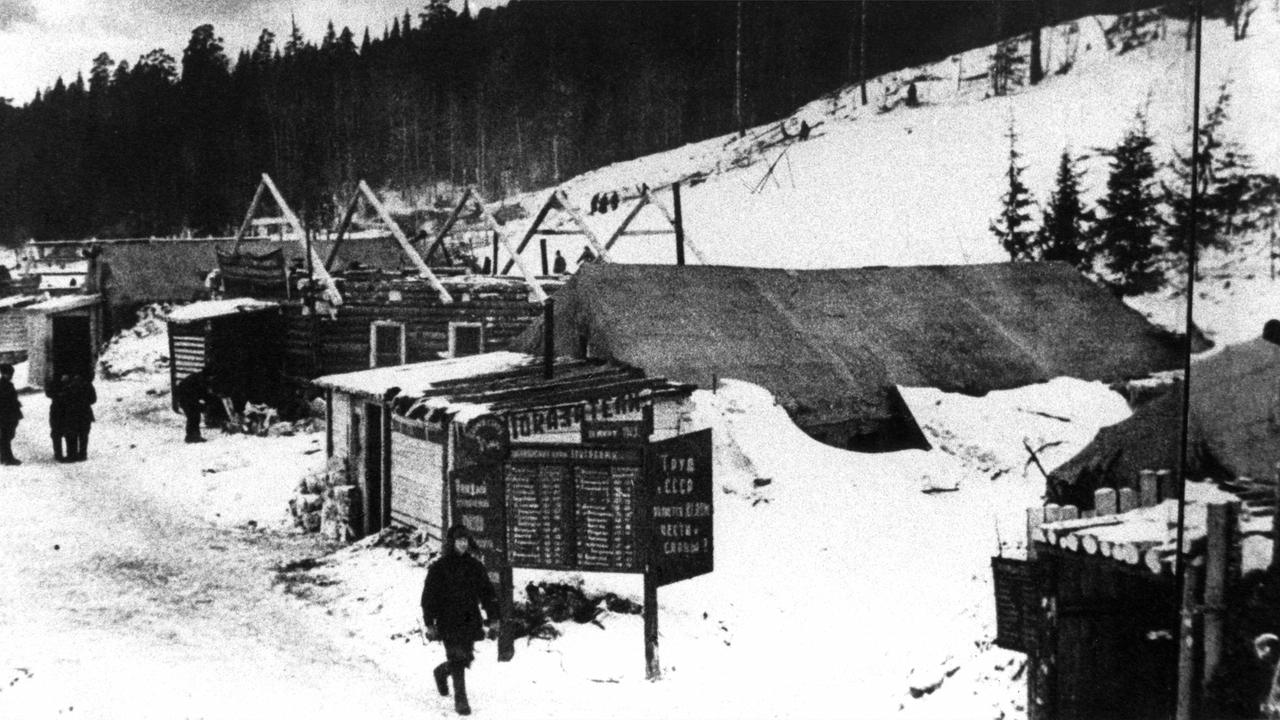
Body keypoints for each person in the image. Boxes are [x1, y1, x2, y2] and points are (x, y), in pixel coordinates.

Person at [421, 524, 500, 716]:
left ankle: (442, 672)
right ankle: (461, 700)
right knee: (457, 656)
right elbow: (428, 598)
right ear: (451, 542)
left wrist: (493, 617)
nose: (463, 544)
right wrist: (429, 623)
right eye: (459, 540)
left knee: (465, 657)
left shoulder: (475, 567)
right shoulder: (439, 568)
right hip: (447, 619)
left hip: (469, 618)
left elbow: (487, 594)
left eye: (465, 540)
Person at [175, 369, 214, 443]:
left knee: (195, 416)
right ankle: (191, 437)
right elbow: (200, 394)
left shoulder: (201, 378)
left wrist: (207, 403)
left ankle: (194, 436)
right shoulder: (200, 380)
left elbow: (204, 394)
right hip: (185, 397)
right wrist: (204, 405)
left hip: (188, 396)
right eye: (211, 377)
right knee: (193, 416)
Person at [63, 373, 96, 461]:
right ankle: (82, 454)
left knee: (71, 434)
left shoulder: (67, 384)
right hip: (85, 412)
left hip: (71, 413)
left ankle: (72, 455)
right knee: (83, 434)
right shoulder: (87, 384)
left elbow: (63, 398)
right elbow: (93, 399)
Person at [0, 363, 21, 465]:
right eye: (9, 373)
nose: (11, 376)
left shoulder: (8, 384)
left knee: (7, 436)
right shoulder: (3, 385)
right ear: (4, 374)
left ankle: (5, 457)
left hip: (9, 414)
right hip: (5, 415)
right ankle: (7, 458)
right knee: (6, 436)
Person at [46, 373, 69, 462]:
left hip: (67, 409)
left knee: (69, 432)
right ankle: (58, 454)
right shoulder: (54, 382)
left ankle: (70, 453)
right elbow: (48, 392)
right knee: (56, 432)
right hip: (57, 409)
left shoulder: (71, 381)